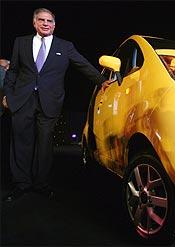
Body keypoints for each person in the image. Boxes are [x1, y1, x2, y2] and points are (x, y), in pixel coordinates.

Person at [2, 8, 111, 202]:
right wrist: (7, 96)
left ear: (54, 24)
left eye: (49, 21)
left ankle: (41, 184)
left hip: (50, 102)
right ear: (34, 23)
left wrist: (101, 80)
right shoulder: (21, 42)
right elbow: (13, 71)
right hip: (22, 100)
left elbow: (82, 64)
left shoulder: (65, 46)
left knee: (44, 145)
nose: (46, 23)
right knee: (21, 143)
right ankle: (21, 184)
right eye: (42, 20)